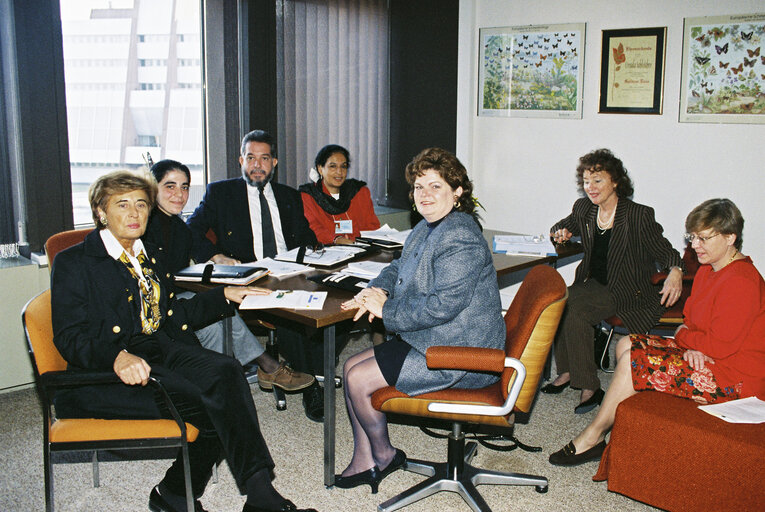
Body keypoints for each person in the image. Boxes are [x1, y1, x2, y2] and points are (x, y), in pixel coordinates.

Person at [50, 170, 316, 512]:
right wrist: (116, 357)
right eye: (123, 205)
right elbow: (70, 337)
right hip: (106, 374)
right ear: (100, 211)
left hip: (158, 352)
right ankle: (178, 495)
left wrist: (225, 296)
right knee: (215, 407)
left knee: (226, 372)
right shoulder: (75, 262)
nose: (134, 214)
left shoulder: (148, 255)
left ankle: (257, 493)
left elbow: (171, 314)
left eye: (142, 204)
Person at [335, 147, 505, 493]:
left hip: (461, 354)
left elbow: (441, 306)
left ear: (457, 192)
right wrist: (372, 291)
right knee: (349, 368)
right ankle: (365, 457)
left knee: (358, 380)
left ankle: (384, 455)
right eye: (418, 187)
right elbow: (399, 266)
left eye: (435, 186)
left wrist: (386, 311)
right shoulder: (428, 227)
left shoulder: (460, 235)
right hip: (436, 337)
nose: (424, 195)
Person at [549, 198, 765, 466]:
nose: (694, 245)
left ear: (731, 237)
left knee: (631, 360)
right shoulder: (708, 270)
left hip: (733, 376)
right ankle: (622, 428)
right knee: (626, 343)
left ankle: (594, 435)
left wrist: (689, 339)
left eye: (704, 238)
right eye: (692, 237)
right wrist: (693, 341)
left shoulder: (741, 281)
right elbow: (688, 320)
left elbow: (718, 345)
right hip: (704, 354)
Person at [186, 130, 326, 422]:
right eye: (251, 158)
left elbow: (305, 236)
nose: (257, 165)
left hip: (290, 270)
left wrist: (313, 249)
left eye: (264, 158)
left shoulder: (289, 196)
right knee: (292, 311)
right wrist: (216, 256)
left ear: (274, 162)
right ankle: (311, 383)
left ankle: (310, 367)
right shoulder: (221, 193)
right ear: (241, 160)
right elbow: (191, 230)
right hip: (249, 276)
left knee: (326, 304)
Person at [143, 159, 313, 392]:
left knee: (220, 305)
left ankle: (233, 376)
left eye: (184, 187)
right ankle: (234, 378)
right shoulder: (143, 226)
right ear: (152, 188)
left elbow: (180, 269)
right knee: (214, 315)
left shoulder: (179, 228)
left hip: (174, 295)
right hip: (153, 306)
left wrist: (216, 257)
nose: (179, 194)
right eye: (170, 186)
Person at [543, 149, 683, 414]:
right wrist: (561, 232)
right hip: (592, 282)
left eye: (597, 181)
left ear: (615, 181)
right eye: (586, 181)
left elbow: (665, 250)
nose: (590, 188)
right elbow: (563, 224)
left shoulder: (637, 215)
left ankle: (590, 385)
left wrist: (675, 269)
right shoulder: (584, 208)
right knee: (557, 300)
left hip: (627, 288)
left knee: (574, 309)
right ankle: (567, 371)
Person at [298, 144, 380, 245]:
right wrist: (336, 239)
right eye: (333, 166)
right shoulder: (308, 196)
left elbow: (371, 226)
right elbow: (313, 228)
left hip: (362, 250)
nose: (339, 172)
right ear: (320, 169)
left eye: (343, 166)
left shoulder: (359, 192)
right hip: (327, 252)